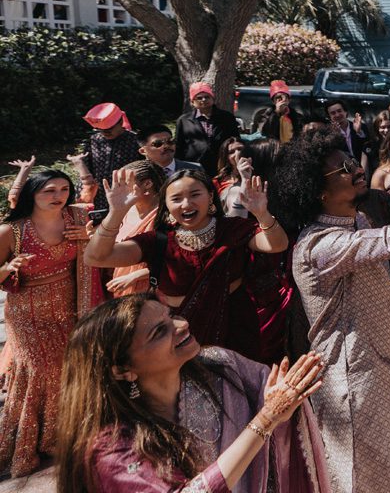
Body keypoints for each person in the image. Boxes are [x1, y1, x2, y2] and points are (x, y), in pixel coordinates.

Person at [272, 124, 390, 493]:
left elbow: (376, 294)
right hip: (350, 382)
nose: (355, 169)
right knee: (360, 480)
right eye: (342, 168)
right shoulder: (320, 245)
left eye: (352, 160)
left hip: (382, 366)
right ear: (318, 191)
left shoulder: (357, 222)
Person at [57, 295, 329, 493]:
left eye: (171, 315)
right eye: (159, 331)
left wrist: (284, 410)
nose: (181, 325)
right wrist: (266, 418)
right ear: (122, 370)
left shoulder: (222, 367)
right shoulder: (112, 448)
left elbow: (276, 407)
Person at [84, 168, 288, 363]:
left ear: (210, 197)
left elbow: (277, 244)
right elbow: (97, 257)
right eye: (176, 198)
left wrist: (262, 214)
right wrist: (116, 213)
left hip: (234, 330)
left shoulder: (232, 229)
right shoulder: (158, 240)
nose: (186, 204)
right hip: (178, 337)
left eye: (195, 195)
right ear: (166, 204)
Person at [0, 170, 95, 477]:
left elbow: (99, 253)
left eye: (64, 189)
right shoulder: (12, 230)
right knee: (41, 370)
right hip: (27, 310)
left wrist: (90, 238)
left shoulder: (78, 219)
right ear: (32, 195)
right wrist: (9, 267)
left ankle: (58, 437)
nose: (59, 196)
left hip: (69, 303)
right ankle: (31, 440)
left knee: (67, 368)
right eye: (49, 191)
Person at [101, 160, 167, 297]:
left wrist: (135, 276)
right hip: (122, 283)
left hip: (154, 289)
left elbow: (175, 259)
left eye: (124, 184)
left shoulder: (165, 215)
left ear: (147, 184)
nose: (118, 188)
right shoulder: (125, 210)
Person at [79, 102, 142, 211]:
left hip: (128, 194)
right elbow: (87, 170)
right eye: (101, 130)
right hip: (100, 196)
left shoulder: (135, 141)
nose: (105, 133)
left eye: (110, 129)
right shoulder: (94, 141)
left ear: (121, 122)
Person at [175, 82, 241, 175]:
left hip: (220, 165)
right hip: (193, 166)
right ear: (192, 102)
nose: (203, 100)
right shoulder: (184, 120)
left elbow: (235, 140)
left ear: (212, 98)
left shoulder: (226, 117)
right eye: (199, 98)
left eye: (207, 97)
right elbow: (179, 146)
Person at [138, 124, 204, 175]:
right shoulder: (135, 173)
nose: (166, 146)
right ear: (143, 151)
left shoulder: (195, 169)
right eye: (158, 144)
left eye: (170, 141)